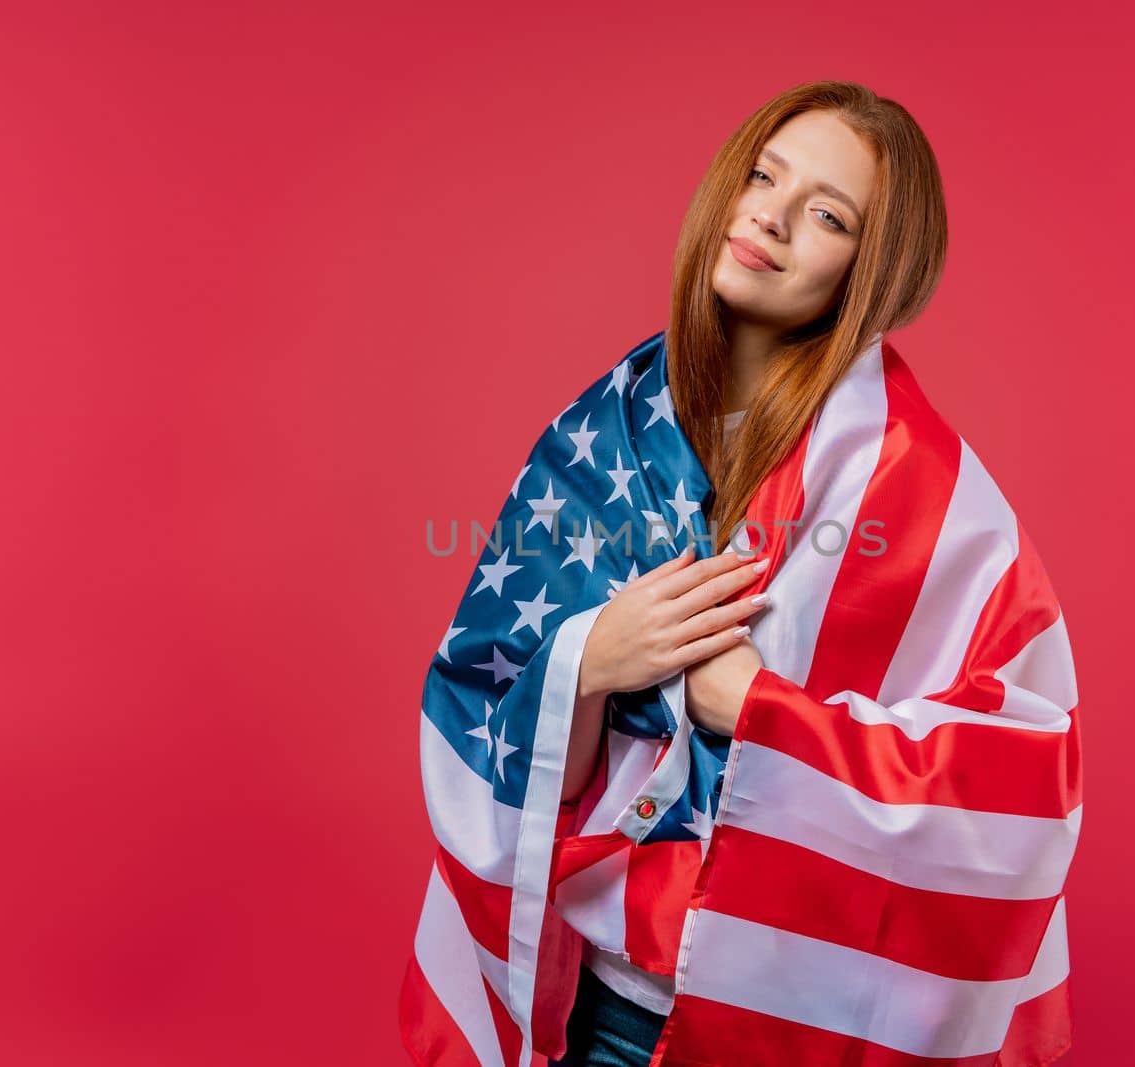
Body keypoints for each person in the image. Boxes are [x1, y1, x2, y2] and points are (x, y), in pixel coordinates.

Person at [405, 79, 1080, 1067]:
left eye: (827, 213)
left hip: (773, 1026)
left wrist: (763, 710)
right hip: (596, 1010)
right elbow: (483, 683)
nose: (769, 213)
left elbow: (1018, 794)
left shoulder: (927, 495)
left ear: (875, 269)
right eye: (763, 176)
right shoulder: (607, 434)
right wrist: (591, 656)